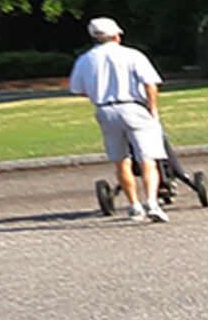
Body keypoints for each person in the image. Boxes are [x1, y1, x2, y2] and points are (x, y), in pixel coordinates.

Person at [68, 17, 168, 222]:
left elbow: (78, 90)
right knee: (147, 158)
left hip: (105, 110)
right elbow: (150, 83)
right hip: (133, 107)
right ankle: (152, 202)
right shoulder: (131, 55)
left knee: (121, 161)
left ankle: (134, 205)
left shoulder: (85, 60)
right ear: (115, 35)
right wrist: (152, 108)